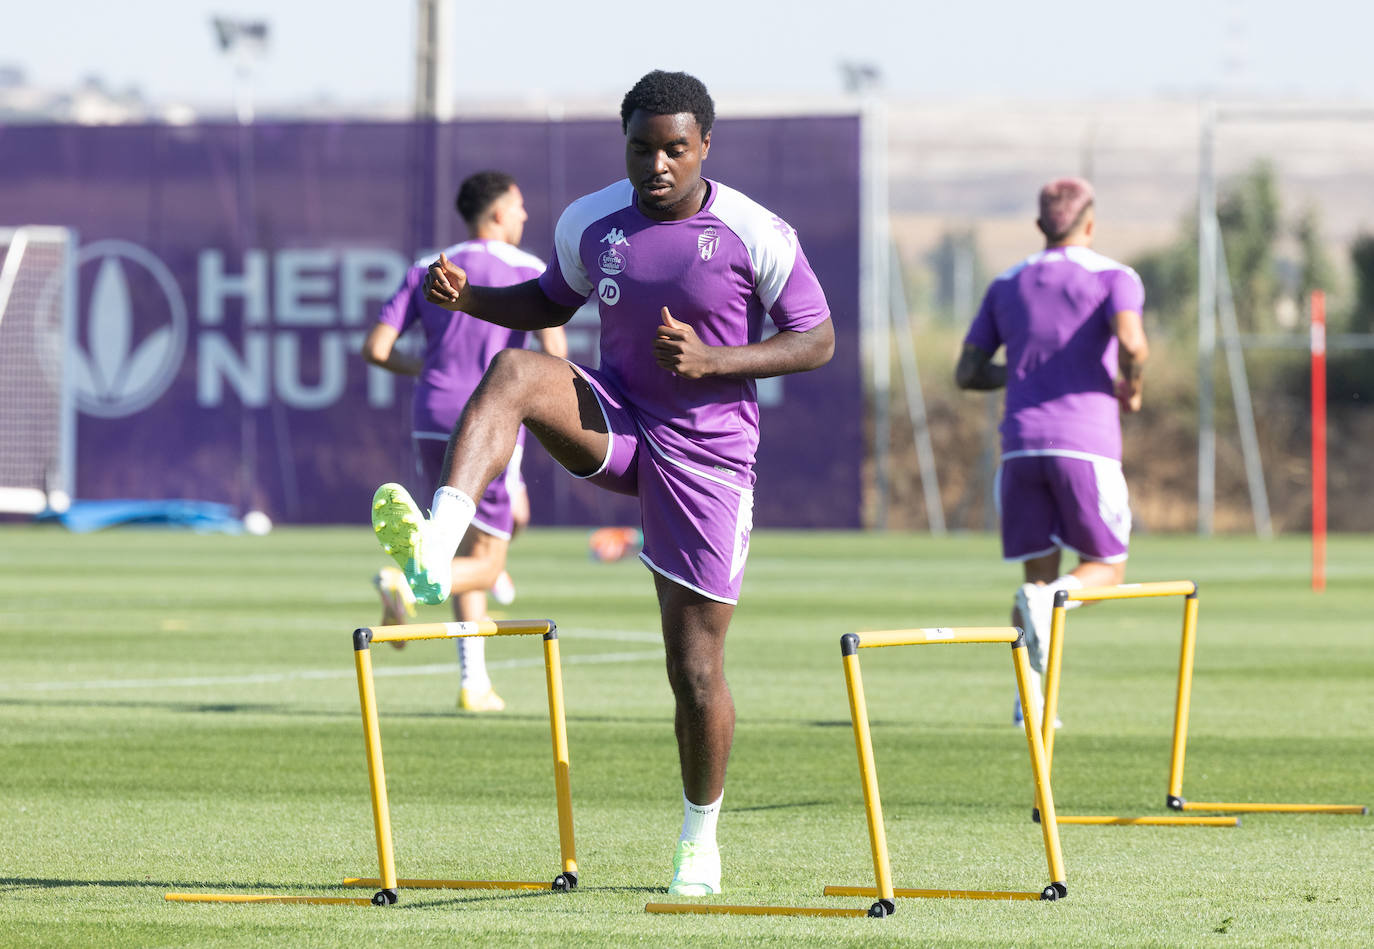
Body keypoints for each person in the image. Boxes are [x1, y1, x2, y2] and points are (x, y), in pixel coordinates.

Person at [370, 70, 834, 896]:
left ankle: (700, 837)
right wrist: (470, 295)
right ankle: (438, 548)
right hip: (618, 421)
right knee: (516, 371)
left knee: (694, 670)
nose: (656, 165)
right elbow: (550, 297)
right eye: (641, 148)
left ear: (704, 148)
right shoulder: (592, 219)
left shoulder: (755, 230)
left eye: (674, 150)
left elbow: (818, 337)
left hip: (708, 456)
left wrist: (714, 360)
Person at [362, 170, 567, 712]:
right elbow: (556, 357)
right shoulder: (530, 270)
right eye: (520, 206)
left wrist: (430, 369)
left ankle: (473, 682)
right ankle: (402, 583)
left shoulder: (430, 267)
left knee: (460, 541)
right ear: (498, 213)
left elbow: (378, 349)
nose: (525, 216)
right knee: (489, 563)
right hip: (493, 418)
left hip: (430, 415)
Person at [955, 176, 1149, 728]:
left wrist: (1021, 375)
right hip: (1086, 447)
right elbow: (1133, 343)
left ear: (1041, 226)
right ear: (1091, 223)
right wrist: (1131, 386)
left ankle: (1030, 706)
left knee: (1033, 579)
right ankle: (1054, 601)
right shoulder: (1115, 276)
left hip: (1019, 448)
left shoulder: (1006, 283)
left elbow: (968, 372)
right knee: (1106, 571)